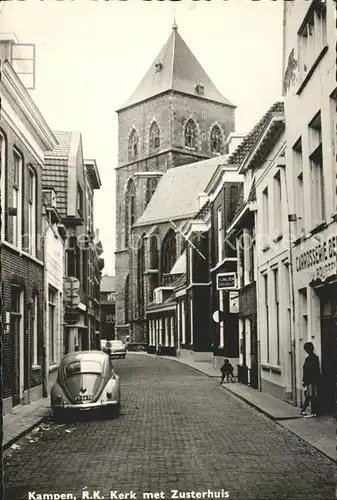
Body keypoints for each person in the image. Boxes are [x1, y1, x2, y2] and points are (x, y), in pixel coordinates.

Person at [300, 342, 321, 417]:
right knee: (309, 396)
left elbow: (313, 371)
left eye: (306, 349)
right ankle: (305, 410)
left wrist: (305, 381)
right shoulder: (310, 358)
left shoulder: (312, 359)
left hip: (312, 381)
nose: (306, 351)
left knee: (311, 396)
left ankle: (313, 411)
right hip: (310, 381)